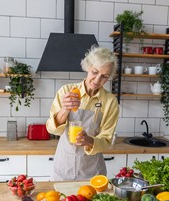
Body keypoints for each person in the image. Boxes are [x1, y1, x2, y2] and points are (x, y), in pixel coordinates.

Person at [46, 45, 119, 181]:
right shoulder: (66, 91)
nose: (97, 80)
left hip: (93, 171)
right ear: (88, 67)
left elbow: (107, 140)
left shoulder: (110, 101)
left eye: (104, 76)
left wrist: (89, 140)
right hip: (64, 168)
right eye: (94, 72)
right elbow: (52, 129)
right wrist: (65, 109)